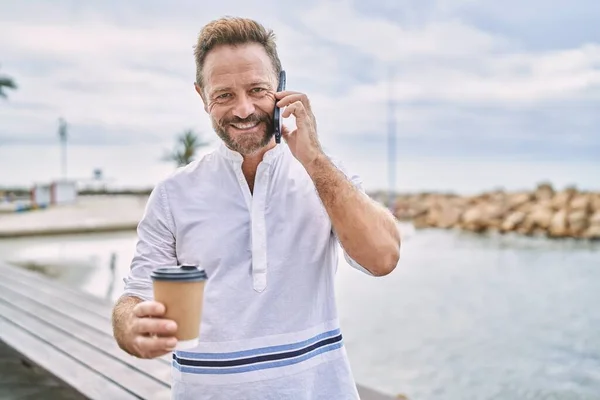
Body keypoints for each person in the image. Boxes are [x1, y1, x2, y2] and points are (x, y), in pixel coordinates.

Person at [111, 16, 401, 400]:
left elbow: (383, 258)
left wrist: (313, 159)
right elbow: (135, 295)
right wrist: (131, 329)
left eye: (257, 89)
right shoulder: (172, 193)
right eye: (224, 95)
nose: (244, 109)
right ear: (202, 97)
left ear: (281, 85)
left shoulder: (325, 177)